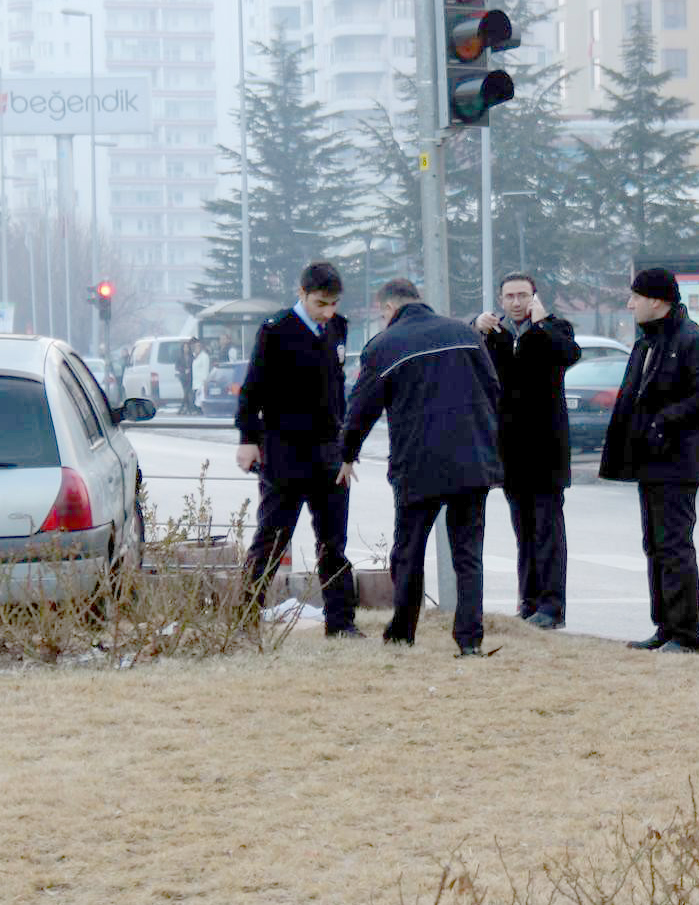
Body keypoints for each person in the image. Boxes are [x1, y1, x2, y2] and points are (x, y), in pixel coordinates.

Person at [341, 277, 503, 656]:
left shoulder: (384, 345)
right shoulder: (465, 334)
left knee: (409, 552)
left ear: (388, 308)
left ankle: (403, 632)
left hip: (418, 464)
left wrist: (347, 454)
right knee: (468, 554)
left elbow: (361, 408)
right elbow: (493, 389)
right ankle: (470, 640)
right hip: (471, 461)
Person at [600, 267, 699, 654]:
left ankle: (686, 635)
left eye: (636, 297)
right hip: (650, 459)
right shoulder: (649, 341)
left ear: (657, 301)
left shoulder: (692, 340)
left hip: (677, 460)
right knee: (654, 545)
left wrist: (664, 421)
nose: (630, 304)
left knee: (674, 546)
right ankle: (665, 627)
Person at [237, 263, 365, 638]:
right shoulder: (276, 330)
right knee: (271, 540)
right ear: (302, 293)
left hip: (329, 453)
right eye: (320, 303)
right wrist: (248, 439)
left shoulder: (338, 327)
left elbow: (338, 389)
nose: (327, 312)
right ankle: (244, 620)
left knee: (333, 543)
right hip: (285, 453)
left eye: (334, 303)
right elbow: (252, 390)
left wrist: (346, 448)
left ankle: (341, 622)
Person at [475, 272, 582, 630]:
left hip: (547, 451)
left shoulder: (554, 330)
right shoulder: (495, 335)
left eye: (523, 295)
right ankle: (529, 601)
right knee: (523, 530)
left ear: (535, 298)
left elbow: (569, 354)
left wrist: (543, 323)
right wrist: (475, 326)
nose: (517, 302)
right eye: (510, 296)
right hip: (511, 452)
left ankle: (552, 606)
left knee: (547, 530)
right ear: (501, 300)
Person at [187, 338, 213, 415]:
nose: (196, 348)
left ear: (201, 347)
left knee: (201, 398)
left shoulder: (204, 356)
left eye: (198, 346)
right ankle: (197, 411)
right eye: (195, 347)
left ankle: (201, 411)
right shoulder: (195, 357)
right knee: (196, 398)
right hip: (195, 382)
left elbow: (206, 370)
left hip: (201, 382)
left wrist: (205, 382)